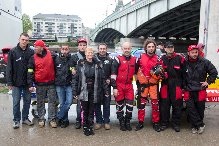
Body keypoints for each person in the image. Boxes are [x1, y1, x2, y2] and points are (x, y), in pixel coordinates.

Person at [72, 48, 107, 136]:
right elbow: (76, 79)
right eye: (88, 52)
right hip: (84, 90)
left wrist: (106, 90)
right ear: (85, 54)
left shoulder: (98, 64)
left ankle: (90, 125)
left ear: (93, 53)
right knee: (85, 110)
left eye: (91, 52)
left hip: (94, 90)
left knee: (92, 110)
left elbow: (102, 78)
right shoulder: (80, 64)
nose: (90, 54)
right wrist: (75, 92)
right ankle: (85, 126)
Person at [183, 45, 218, 134]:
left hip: (200, 89)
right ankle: (200, 124)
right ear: (188, 53)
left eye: (196, 52)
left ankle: (196, 126)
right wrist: (183, 86)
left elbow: (214, 72)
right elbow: (180, 75)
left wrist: (208, 81)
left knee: (200, 109)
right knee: (190, 109)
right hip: (188, 89)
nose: (195, 54)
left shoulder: (205, 62)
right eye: (192, 52)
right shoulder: (184, 62)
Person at [6, 33, 34, 129]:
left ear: (28, 41)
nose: (24, 41)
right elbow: (9, 68)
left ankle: (25, 118)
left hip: (27, 83)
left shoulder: (31, 52)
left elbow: (32, 68)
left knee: (27, 101)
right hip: (16, 82)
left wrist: (31, 82)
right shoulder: (13, 52)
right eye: (23, 39)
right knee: (16, 102)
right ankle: (16, 120)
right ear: (19, 39)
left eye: (26, 40)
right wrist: (9, 82)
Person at [27, 40, 57, 128]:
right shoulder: (32, 58)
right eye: (34, 46)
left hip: (51, 83)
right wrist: (30, 84)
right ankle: (41, 118)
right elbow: (30, 72)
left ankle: (52, 119)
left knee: (52, 102)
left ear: (42, 47)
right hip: (39, 84)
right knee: (40, 102)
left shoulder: (52, 55)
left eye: (36, 47)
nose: (35, 48)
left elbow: (57, 67)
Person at [135, 39, 161, 132]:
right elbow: (135, 71)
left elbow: (161, 72)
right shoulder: (140, 57)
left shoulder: (158, 59)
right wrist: (138, 83)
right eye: (149, 46)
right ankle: (140, 122)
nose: (151, 48)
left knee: (155, 105)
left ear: (155, 48)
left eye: (152, 47)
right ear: (146, 48)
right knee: (141, 105)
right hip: (143, 86)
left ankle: (156, 122)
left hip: (153, 85)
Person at [111, 42, 138, 131]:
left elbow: (136, 75)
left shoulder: (135, 60)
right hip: (119, 85)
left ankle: (127, 121)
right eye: (125, 48)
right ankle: (121, 122)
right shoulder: (117, 59)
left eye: (128, 48)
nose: (127, 50)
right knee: (119, 105)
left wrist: (138, 87)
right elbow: (113, 75)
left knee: (130, 105)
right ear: (122, 49)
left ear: (131, 49)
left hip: (129, 86)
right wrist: (114, 87)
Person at [159, 42, 185, 132]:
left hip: (177, 85)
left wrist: (184, 86)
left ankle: (176, 124)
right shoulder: (162, 58)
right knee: (164, 106)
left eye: (172, 47)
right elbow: (157, 71)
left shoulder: (180, 58)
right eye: (168, 47)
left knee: (177, 106)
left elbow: (185, 72)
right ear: (165, 49)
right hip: (165, 85)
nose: (170, 49)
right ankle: (164, 123)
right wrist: (161, 74)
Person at [55, 44, 74, 128]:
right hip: (59, 84)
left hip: (68, 84)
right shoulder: (56, 59)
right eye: (63, 49)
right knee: (62, 103)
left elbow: (73, 70)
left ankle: (58, 117)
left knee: (69, 102)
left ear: (69, 50)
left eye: (66, 49)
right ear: (60, 50)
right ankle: (65, 120)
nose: (65, 51)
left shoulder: (72, 59)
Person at [94, 43, 112, 130]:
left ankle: (106, 121)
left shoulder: (110, 59)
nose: (102, 50)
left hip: (106, 86)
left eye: (104, 48)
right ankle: (98, 121)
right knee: (96, 104)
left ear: (106, 49)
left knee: (106, 104)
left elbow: (113, 73)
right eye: (100, 48)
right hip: (96, 86)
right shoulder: (94, 59)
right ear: (98, 49)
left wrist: (110, 80)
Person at [72, 38, 87, 129]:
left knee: (88, 104)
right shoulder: (74, 57)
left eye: (84, 45)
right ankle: (78, 120)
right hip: (79, 84)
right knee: (79, 104)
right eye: (80, 45)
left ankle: (86, 119)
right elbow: (70, 67)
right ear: (78, 46)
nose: (82, 47)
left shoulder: (89, 55)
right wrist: (72, 69)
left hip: (88, 84)